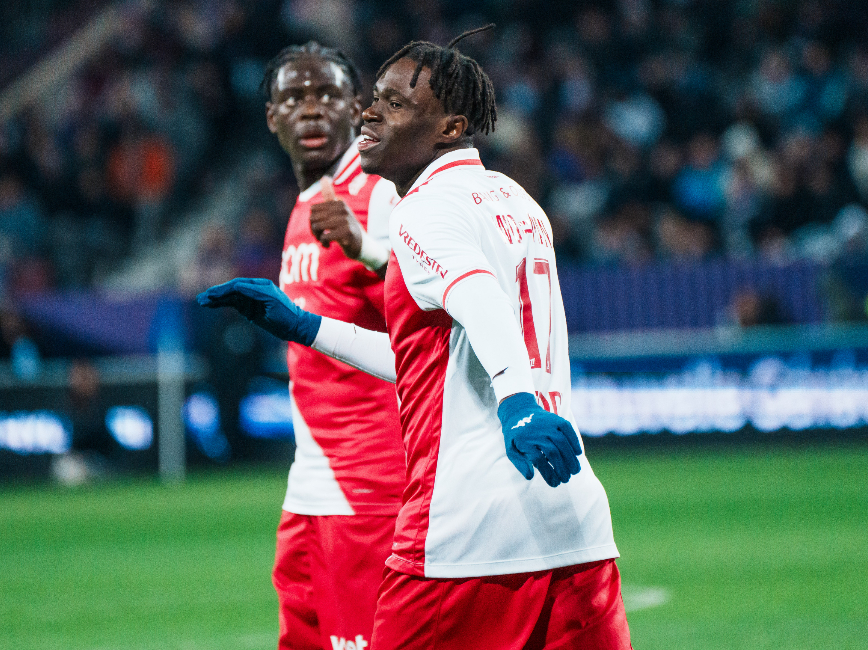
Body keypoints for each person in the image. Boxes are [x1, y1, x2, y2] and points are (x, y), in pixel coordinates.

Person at [200, 27, 631, 650]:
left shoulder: (423, 209)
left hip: (465, 530)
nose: (370, 114)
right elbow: (436, 358)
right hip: (574, 523)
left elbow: (478, 297)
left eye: (396, 103)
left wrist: (515, 403)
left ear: (450, 127)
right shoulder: (516, 201)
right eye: (376, 97)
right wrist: (305, 326)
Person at [250, 41, 407, 650]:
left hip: (371, 481)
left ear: (357, 107)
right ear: (273, 117)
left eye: (327, 95)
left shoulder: (379, 192)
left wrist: (367, 247)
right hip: (311, 481)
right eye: (294, 98)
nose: (311, 109)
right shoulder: (307, 204)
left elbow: (433, 302)